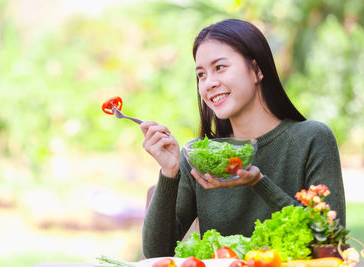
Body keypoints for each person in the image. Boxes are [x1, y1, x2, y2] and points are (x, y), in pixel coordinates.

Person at [140, 18, 346, 258]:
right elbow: (156, 253)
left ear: (257, 70)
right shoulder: (201, 156)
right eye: (201, 74)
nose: (209, 83)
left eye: (220, 67)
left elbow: (331, 244)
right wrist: (169, 172)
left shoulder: (312, 138)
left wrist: (258, 182)